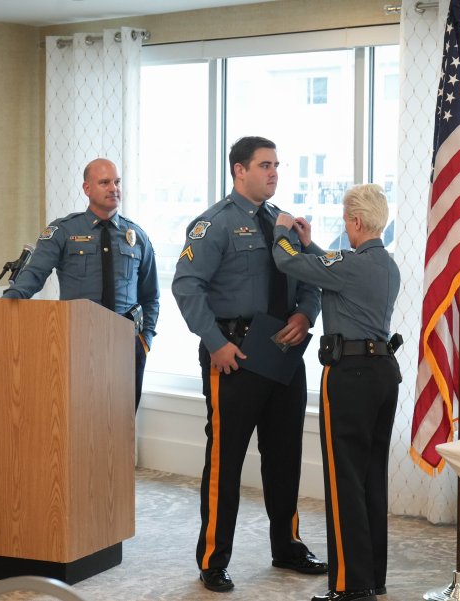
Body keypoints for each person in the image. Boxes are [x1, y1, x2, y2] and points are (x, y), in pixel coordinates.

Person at [172, 136, 326, 593]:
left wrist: (305, 313)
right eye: (264, 165)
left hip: (283, 353)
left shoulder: (284, 223)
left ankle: (288, 546)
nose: (274, 172)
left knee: (285, 458)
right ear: (239, 170)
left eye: (277, 165)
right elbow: (186, 286)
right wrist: (215, 343)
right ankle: (213, 559)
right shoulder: (214, 224)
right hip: (234, 357)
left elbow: (311, 277)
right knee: (225, 462)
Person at [272, 183, 402, 601]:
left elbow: (283, 260)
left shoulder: (349, 264)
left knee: (344, 479)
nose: (345, 226)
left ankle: (349, 587)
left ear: (357, 221)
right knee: (369, 478)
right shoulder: (386, 265)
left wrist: (282, 231)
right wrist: (312, 247)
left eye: (346, 219)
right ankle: (371, 578)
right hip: (384, 373)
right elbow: (330, 266)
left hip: (351, 376)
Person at [2, 158, 159, 410]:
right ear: (87, 189)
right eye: (105, 182)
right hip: (77, 342)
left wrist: (145, 340)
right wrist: (11, 298)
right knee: (77, 418)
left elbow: (150, 295)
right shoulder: (64, 231)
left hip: (126, 345)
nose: (114, 188)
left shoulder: (136, 236)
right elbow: (35, 273)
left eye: (117, 182)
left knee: (123, 423)